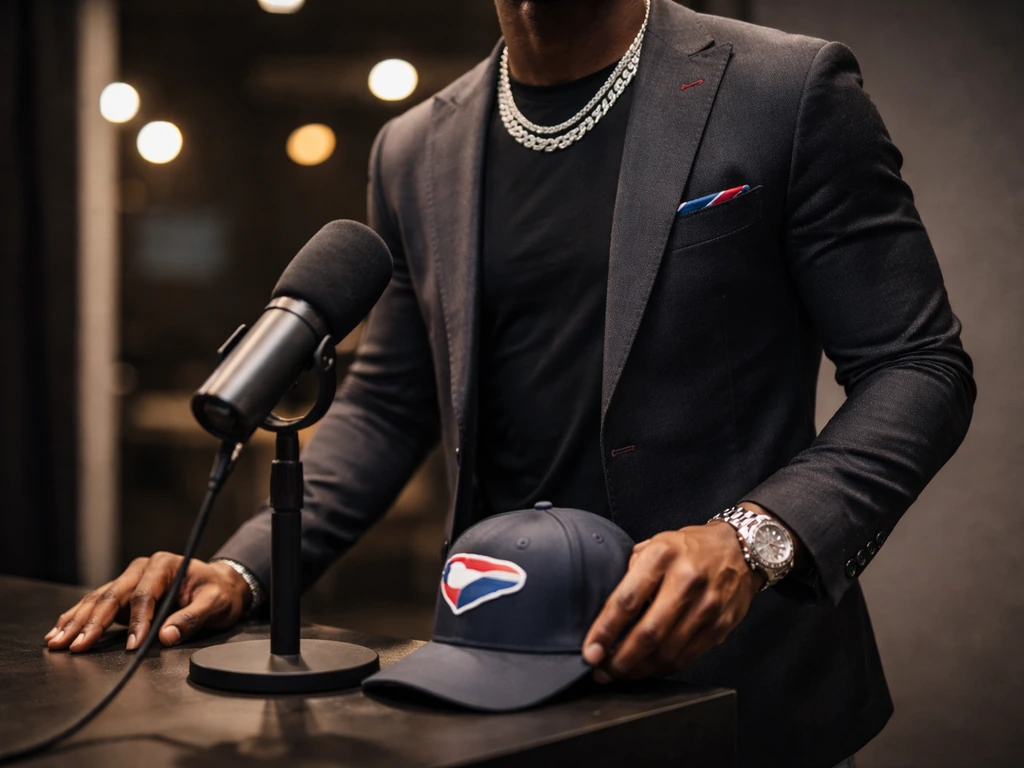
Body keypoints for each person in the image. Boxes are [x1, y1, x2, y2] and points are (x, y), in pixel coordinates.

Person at [46, 1, 975, 765]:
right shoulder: (415, 146)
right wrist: (244, 568)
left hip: (734, 685)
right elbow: (388, 405)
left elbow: (919, 365)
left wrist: (752, 539)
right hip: (493, 676)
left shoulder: (785, 89)